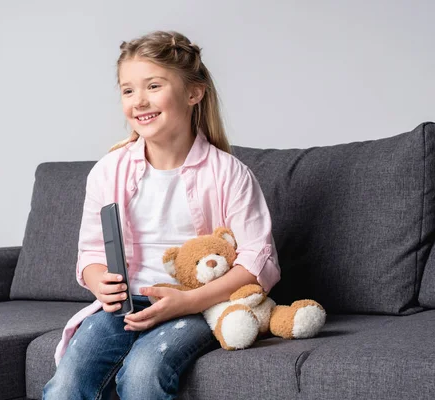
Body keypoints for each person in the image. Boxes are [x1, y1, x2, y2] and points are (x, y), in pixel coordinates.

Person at [42, 30, 281, 400]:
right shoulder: (108, 171)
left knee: (142, 374)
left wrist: (189, 301)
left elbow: (257, 264)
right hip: (123, 306)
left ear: (193, 93)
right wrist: (97, 280)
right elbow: (90, 253)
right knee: (67, 384)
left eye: (153, 86)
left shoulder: (229, 174)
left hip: (196, 307)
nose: (139, 101)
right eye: (128, 90)